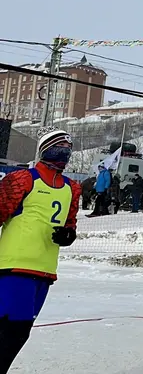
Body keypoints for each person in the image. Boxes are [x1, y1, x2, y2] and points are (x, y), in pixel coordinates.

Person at [0, 127, 82, 373]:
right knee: (12, 330)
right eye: (59, 147)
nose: (64, 153)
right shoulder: (23, 179)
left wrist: (69, 235)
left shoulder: (72, 188)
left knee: (18, 333)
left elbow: (69, 223)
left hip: (45, 271)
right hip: (14, 266)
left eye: (68, 149)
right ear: (45, 150)